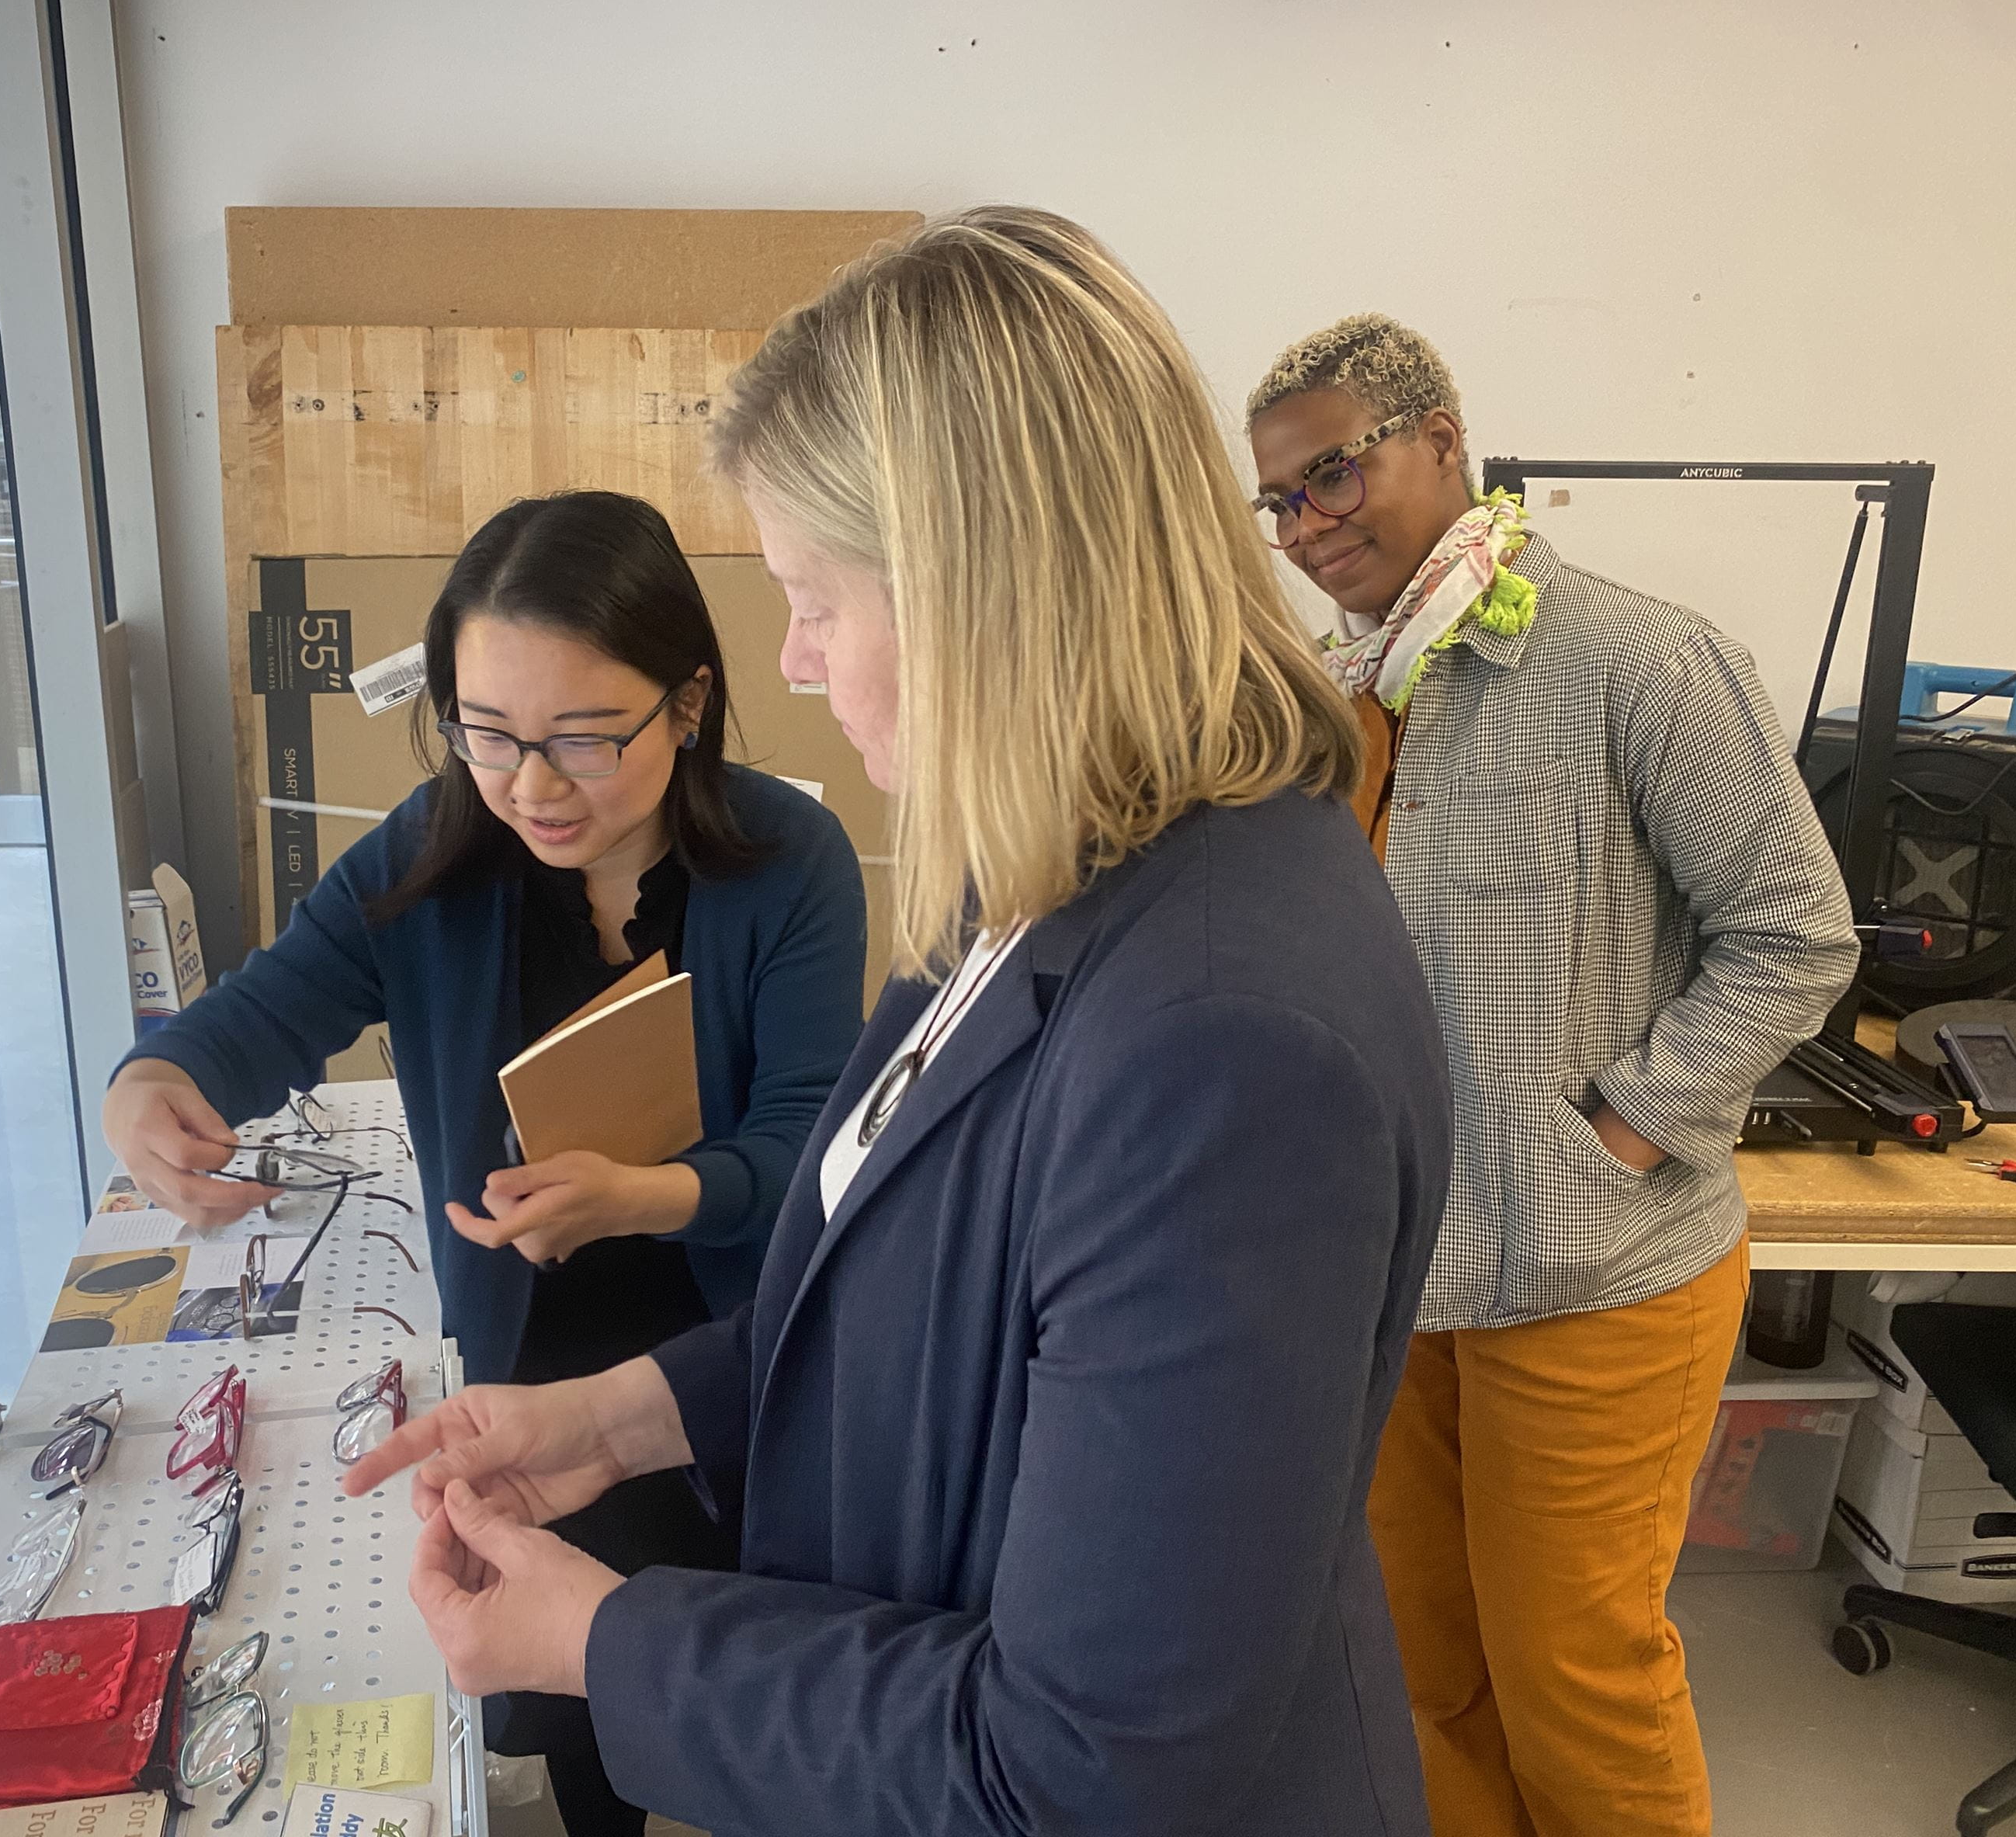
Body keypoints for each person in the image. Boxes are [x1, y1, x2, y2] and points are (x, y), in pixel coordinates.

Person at [344, 207, 1452, 1836]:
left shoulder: (1225, 1043)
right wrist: (617, 1416)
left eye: (816, 599)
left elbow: (1079, 1769)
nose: (795, 661)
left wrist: (604, 1640)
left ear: (981, 594)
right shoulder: (1037, 864)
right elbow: (905, 1319)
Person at [103, 488, 866, 1836]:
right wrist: (152, 1083)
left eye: (585, 738)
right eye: (490, 734)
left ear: (689, 702)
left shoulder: (787, 863)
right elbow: (266, 1011)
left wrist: (646, 1196)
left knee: (740, 1688)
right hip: (527, 1378)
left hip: (732, 1364)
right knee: (570, 1706)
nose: (532, 788)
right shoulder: (437, 850)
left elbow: (809, 1147)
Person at [1244, 313, 1859, 1837]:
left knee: (1574, 1677)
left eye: (1333, 476)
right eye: (1280, 502)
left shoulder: (1636, 662)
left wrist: (1624, 1129)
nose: (1307, 528)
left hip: (1594, 1274)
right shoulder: (1333, 694)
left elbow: (1796, 933)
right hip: (1397, 1281)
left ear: (1442, 441)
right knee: (1419, 1665)